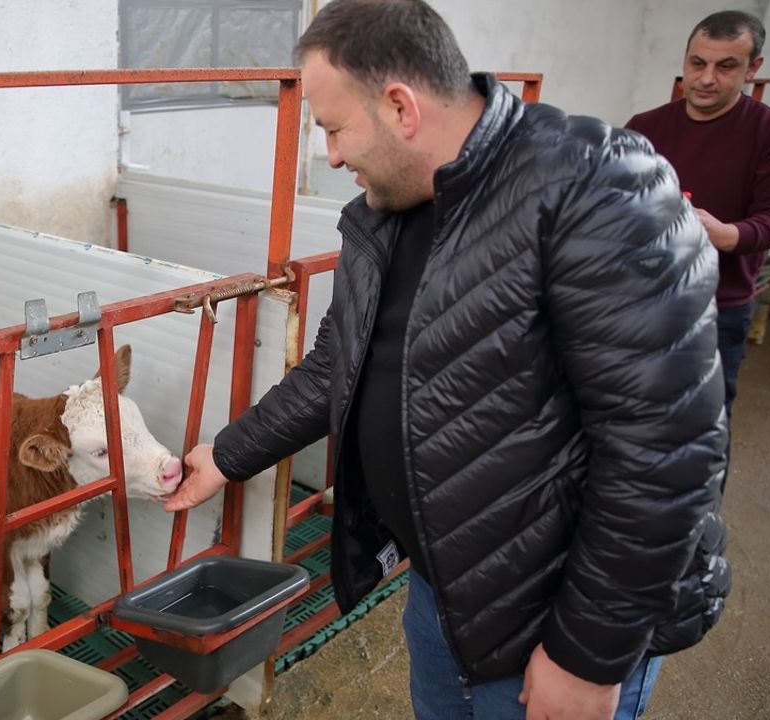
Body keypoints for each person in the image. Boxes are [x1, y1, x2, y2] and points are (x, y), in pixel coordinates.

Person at [162, 1, 730, 718]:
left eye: (334, 129)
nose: (331, 156)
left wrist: (587, 654)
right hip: (443, 590)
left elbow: (666, 449)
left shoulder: (598, 187)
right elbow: (341, 358)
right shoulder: (383, 211)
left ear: (400, 107)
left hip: (554, 618)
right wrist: (227, 455)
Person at [626, 11, 770, 419]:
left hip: (717, 308)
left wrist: (723, 233)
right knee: (628, 418)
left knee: (701, 426)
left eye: (726, 66)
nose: (706, 78)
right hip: (638, 303)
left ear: (753, 68)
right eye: (698, 63)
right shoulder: (643, 128)